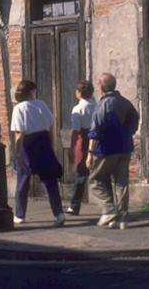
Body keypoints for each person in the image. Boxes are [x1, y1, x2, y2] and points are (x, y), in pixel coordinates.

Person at [86, 72, 139, 230]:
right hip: (124, 147)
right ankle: (122, 219)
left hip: (106, 149)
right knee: (121, 183)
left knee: (95, 180)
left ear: (101, 87)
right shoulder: (125, 102)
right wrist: (126, 133)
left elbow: (96, 131)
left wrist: (90, 153)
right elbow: (135, 121)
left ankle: (109, 209)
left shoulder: (102, 105)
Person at [10, 80, 65, 227]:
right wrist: (51, 145)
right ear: (32, 91)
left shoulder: (19, 108)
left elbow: (19, 134)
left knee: (22, 181)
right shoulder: (42, 104)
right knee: (50, 181)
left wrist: (16, 152)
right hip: (44, 141)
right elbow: (50, 126)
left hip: (28, 144)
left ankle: (20, 214)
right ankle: (59, 213)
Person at [65, 80, 96, 215]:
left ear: (79, 93)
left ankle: (74, 205)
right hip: (98, 138)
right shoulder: (97, 106)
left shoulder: (78, 109)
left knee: (81, 173)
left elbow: (76, 130)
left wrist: (71, 147)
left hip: (84, 139)